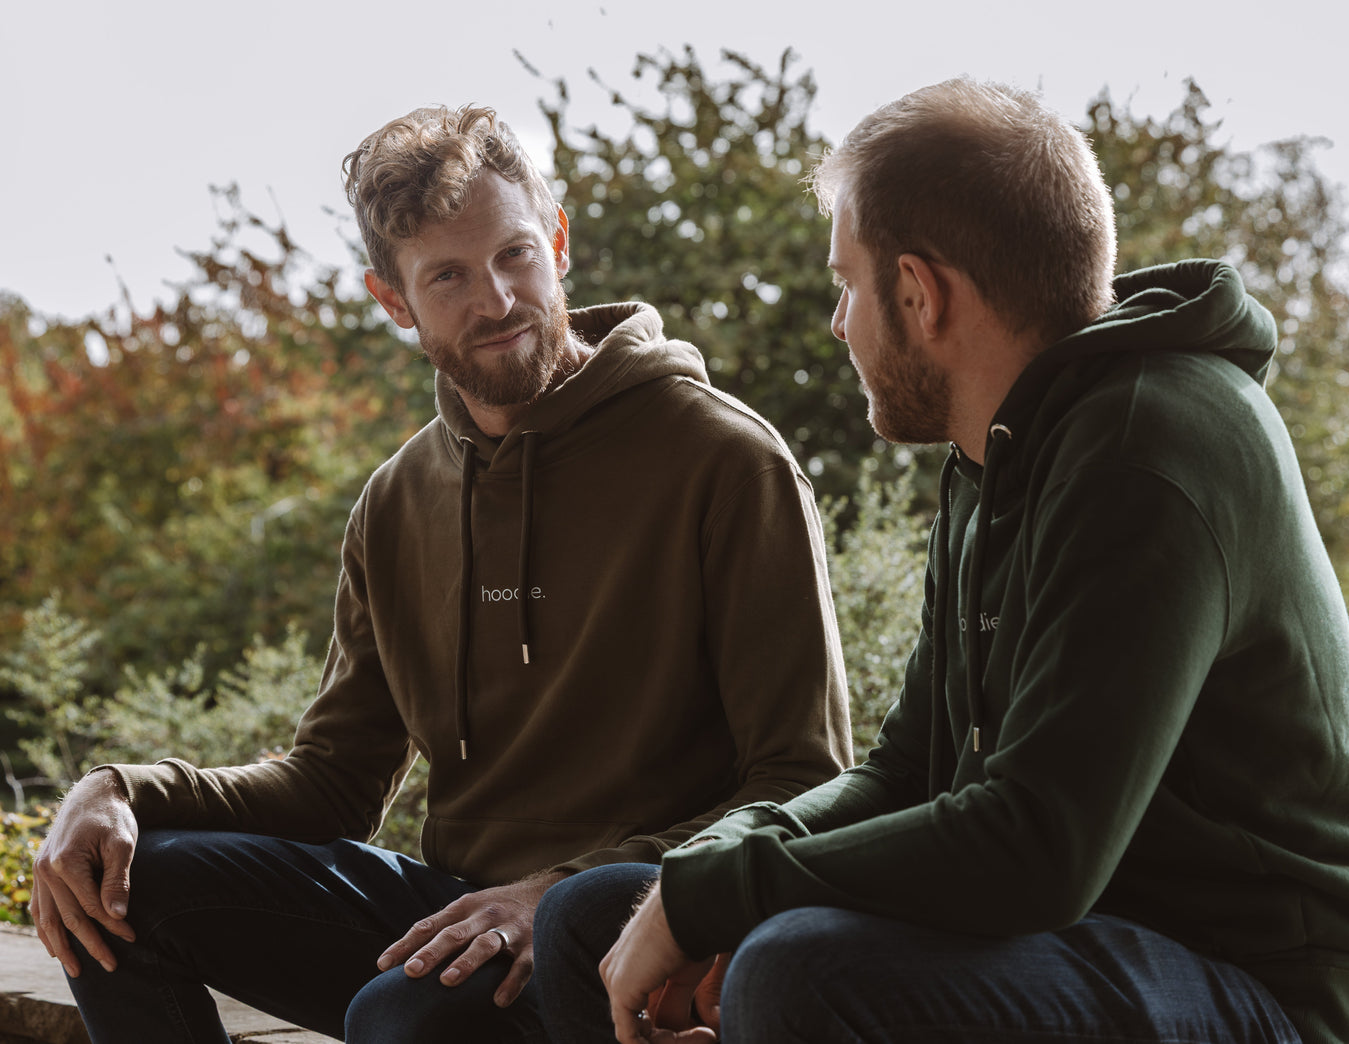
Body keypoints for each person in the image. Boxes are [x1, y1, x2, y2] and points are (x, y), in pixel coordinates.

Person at [531, 77, 1349, 1044]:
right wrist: (710, 868)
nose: (838, 323)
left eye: (846, 284)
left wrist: (724, 897)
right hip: (1091, 940)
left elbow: (1037, 847)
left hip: (1267, 991)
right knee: (595, 921)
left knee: (800, 971)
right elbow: (910, 768)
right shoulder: (993, 459)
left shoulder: (1150, 449)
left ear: (919, 294)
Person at [30, 105, 852, 1044]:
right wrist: (120, 790)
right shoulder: (396, 501)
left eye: (514, 255)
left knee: (405, 1016)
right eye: (449, 277)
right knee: (120, 888)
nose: (496, 301)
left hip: (636, 924)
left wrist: (559, 893)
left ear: (559, 240)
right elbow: (333, 783)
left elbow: (801, 778)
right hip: (460, 912)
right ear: (394, 302)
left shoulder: (724, 460)